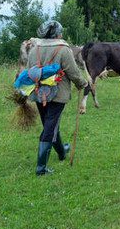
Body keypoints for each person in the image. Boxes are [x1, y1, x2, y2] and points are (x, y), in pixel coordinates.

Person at [24, 20, 90, 176]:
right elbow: (73, 71)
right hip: (58, 94)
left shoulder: (35, 49)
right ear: (58, 34)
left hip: (39, 92)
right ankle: (41, 168)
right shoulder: (63, 49)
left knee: (50, 124)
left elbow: (29, 71)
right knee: (50, 127)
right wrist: (82, 83)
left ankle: (61, 151)